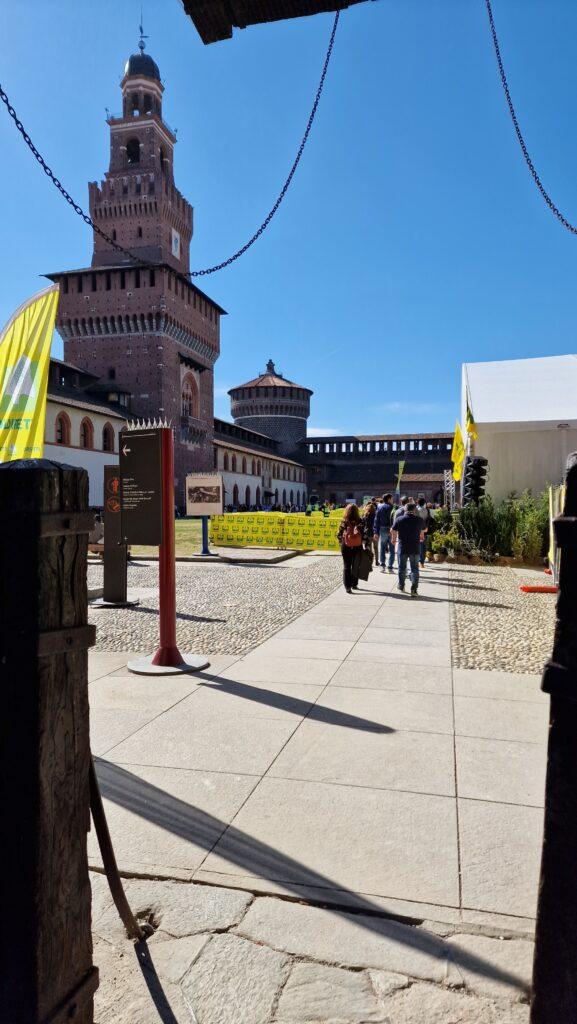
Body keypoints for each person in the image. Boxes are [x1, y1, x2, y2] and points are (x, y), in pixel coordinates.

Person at [391, 501, 425, 597]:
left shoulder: (399, 519)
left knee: (402, 568)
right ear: (414, 510)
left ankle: (401, 585)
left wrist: (393, 540)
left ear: (405, 509)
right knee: (414, 569)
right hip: (415, 547)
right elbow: (423, 530)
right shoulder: (419, 519)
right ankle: (414, 589)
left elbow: (393, 530)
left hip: (403, 547)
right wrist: (421, 535)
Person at [337, 504, 370, 594]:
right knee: (356, 565)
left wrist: (342, 542)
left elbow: (339, 534)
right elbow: (365, 534)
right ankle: (354, 584)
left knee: (347, 566)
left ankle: (347, 587)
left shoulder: (344, 521)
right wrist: (366, 544)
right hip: (357, 545)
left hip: (346, 545)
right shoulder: (360, 521)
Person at [373, 493, 395, 573]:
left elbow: (376, 520)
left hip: (382, 529)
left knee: (382, 548)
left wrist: (376, 532)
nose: (392, 500)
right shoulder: (393, 508)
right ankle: (390, 567)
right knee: (392, 549)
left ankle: (382, 565)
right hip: (392, 530)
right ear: (389, 499)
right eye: (392, 499)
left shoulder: (380, 507)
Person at [363, 499, 378, 565]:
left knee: (369, 548)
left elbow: (363, 525)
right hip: (375, 533)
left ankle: (370, 561)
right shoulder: (376, 516)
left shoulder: (365, 516)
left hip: (368, 533)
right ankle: (377, 561)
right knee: (376, 548)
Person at [416, 497, 430, 568]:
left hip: (417, 530)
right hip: (425, 530)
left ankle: (417, 561)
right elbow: (428, 520)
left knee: (417, 546)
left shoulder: (416, 510)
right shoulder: (427, 510)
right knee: (423, 547)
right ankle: (422, 562)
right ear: (424, 503)